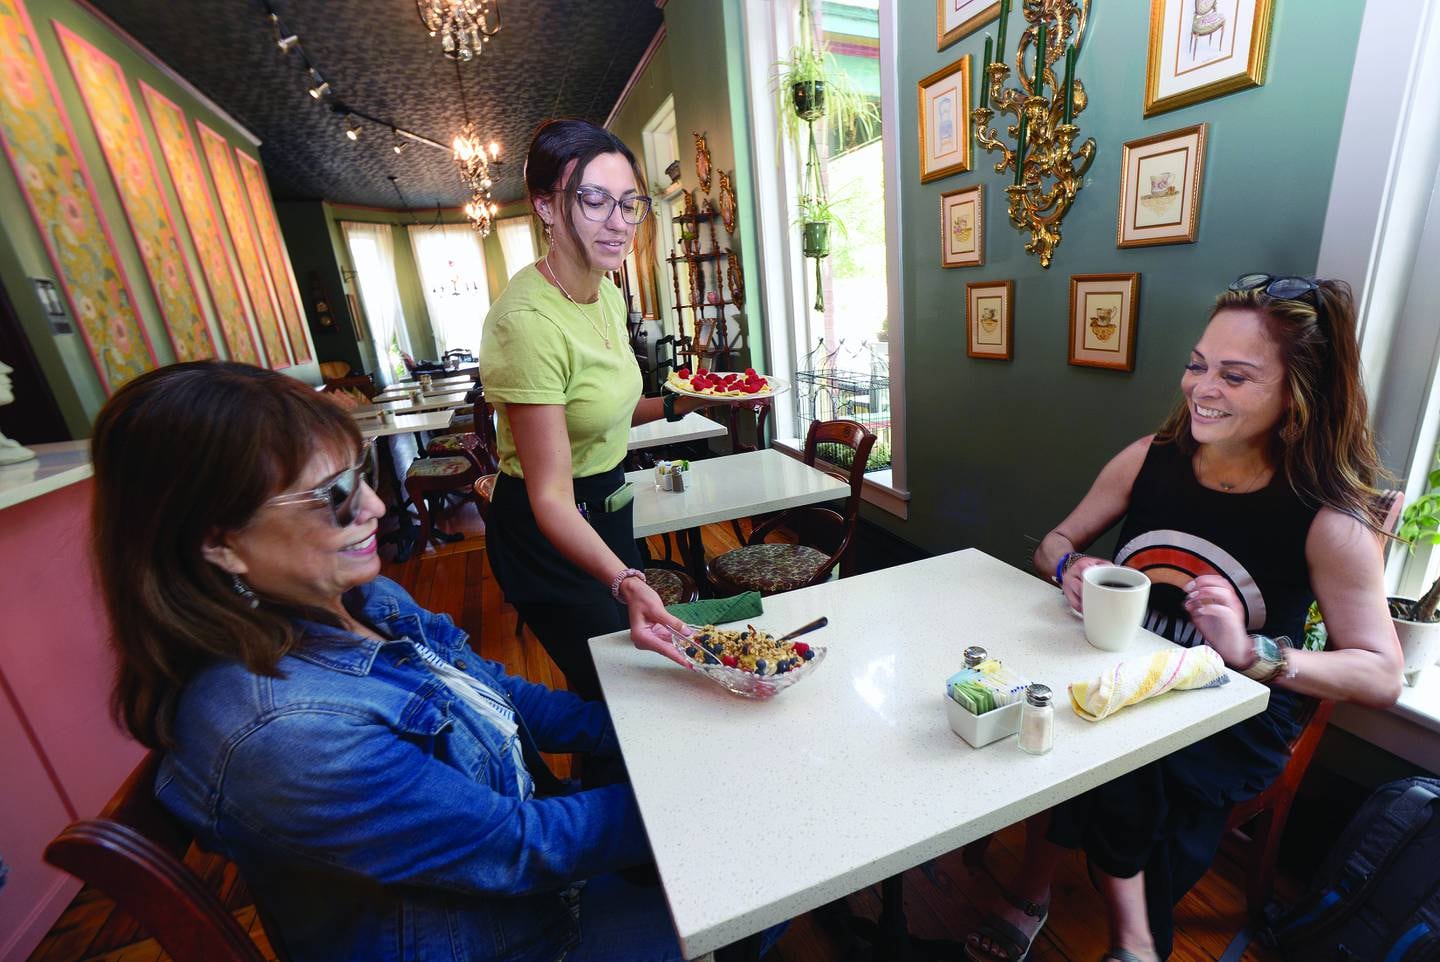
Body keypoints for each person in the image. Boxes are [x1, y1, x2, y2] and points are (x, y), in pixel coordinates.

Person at [89, 361, 697, 962]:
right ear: (217, 542)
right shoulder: (285, 734)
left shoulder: (360, 599)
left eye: (358, 476)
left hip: (537, 887)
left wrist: (658, 713)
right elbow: (516, 847)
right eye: (331, 496)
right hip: (525, 937)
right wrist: (697, 792)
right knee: (768, 874)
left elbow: (501, 695)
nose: (376, 507)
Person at [965, 276, 1404, 962]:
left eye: (1235, 375)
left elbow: (1381, 676)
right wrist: (1065, 570)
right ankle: (1047, 893)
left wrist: (1253, 649)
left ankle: (1121, 936)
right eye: (1199, 365)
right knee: (1051, 715)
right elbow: (1053, 542)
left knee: (1118, 759)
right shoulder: (1149, 459)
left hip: (1231, 710)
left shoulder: (1328, 520)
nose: (1202, 388)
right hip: (1121, 669)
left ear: (1298, 392)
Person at [479, 118, 730, 700]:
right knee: (617, 695)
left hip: (607, 508)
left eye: (628, 203)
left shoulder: (608, 293)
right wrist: (626, 578)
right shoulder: (528, 323)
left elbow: (603, 410)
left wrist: (678, 401)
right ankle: (611, 789)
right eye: (593, 200)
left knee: (630, 685)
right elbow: (549, 497)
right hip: (549, 533)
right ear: (545, 205)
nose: (618, 222)